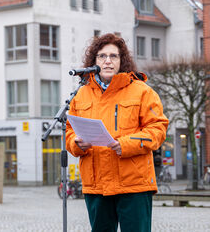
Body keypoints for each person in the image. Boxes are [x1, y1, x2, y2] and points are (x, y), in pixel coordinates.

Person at [66, 33, 168, 232]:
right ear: (94, 61)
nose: (107, 61)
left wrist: (126, 144)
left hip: (134, 183)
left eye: (114, 56)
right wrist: (76, 144)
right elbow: (70, 130)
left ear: (122, 61)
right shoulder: (81, 94)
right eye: (102, 56)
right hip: (96, 185)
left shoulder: (142, 91)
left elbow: (157, 129)